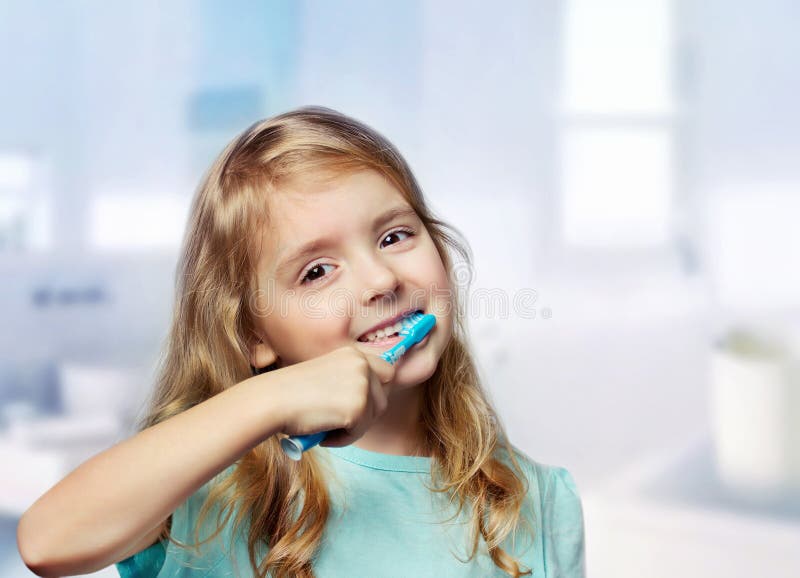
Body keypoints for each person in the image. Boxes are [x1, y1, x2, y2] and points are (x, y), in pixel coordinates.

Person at [17, 106, 586, 577]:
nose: (382, 280)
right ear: (253, 336)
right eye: (316, 271)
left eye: (394, 235)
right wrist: (270, 401)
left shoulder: (537, 499)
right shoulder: (212, 485)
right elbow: (45, 544)